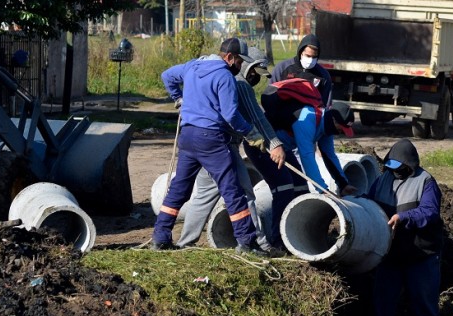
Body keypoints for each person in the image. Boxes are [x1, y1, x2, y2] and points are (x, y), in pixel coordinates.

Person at [151, 38, 265, 255]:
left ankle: (160, 237)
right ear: (229, 57)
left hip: (188, 136)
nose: (240, 66)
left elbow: (167, 76)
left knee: (178, 189)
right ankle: (247, 242)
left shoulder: (193, 66)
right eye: (240, 61)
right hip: (211, 139)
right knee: (232, 190)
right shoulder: (224, 76)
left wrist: (178, 98)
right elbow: (230, 113)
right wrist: (251, 133)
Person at [176, 47, 287, 256]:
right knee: (245, 194)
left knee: (203, 195)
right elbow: (257, 119)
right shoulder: (241, 85)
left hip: (199, 143)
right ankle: (257, 243)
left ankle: (184, 243)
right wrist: (275, 144)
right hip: (222, 147)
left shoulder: (206, 75)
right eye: (254, 72)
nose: (255, 78)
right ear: (243, 64)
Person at [245, 91, 358, 250]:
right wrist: (322, 189)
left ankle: (296, 235)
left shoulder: (327, 128)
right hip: (262, 147)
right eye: (342, 128)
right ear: (333, 119)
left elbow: (329, 156)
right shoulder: (308, 120)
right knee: (283, 187)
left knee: (301, 187)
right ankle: (278, 242)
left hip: (283, 148)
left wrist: (343, 183)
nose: (341, 132)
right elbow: (307, 156)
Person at [367, 139, 445, 316]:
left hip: (421, 254)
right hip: (389, 254)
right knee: (383, 299)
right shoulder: (382, 180)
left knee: (425, 300)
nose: (395, 172)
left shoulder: (426, 181)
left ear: (409, 165)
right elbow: (370, 203)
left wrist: (403, 217)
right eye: (390, 167)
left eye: (399, 168)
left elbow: (429, 212)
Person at [270, 34, 333, 106]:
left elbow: (325, 104)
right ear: (301, 53)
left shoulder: (323, 75)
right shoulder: (282, 68)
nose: (311, 60)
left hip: (310, 115)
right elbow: (270, 95)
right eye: (308, 56)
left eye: (314, 57)